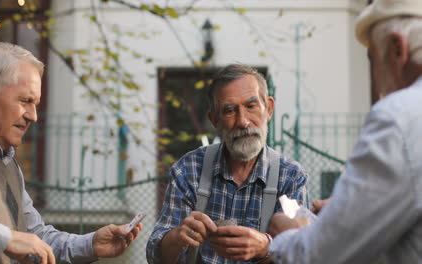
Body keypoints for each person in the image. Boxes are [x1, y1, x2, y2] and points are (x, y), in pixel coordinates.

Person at [0, 42, 142, 264]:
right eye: (25, 101)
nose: (33, 116)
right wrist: (6, 239)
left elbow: (36, 239)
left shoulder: (7, 161)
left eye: (35, 104)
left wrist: (91, 244)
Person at [266, 0, 422, 263]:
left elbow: (321, 254)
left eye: (373, 59)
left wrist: (286, 236)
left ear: (397, 48)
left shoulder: (400, 116)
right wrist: (351, 211)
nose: (377, 80)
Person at [146, 64, 309, 264]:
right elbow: (156, 256)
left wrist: (265, 248)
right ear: (215, 120)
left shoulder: (291, 176)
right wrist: (178, 237)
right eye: (230, 110)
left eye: (251, 106)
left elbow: (303, 254)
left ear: (269, 109)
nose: (243, 121)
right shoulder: (188, 169)